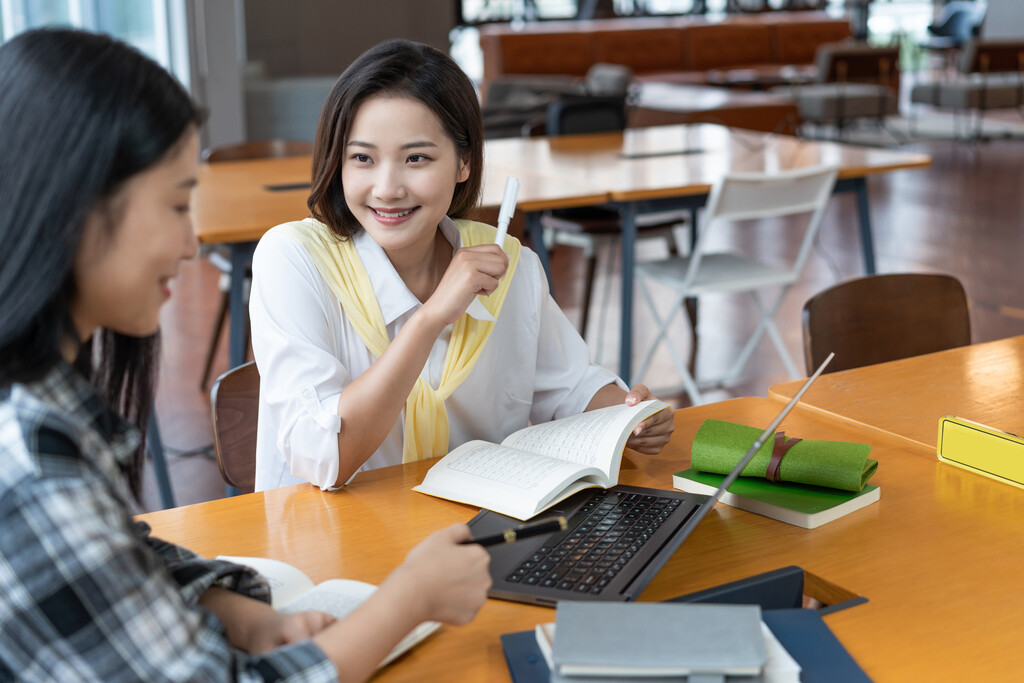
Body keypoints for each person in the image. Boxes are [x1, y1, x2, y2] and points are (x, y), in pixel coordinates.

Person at [0, 28, 490, 682]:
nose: (190, 242)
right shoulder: (29, 462)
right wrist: (406, 603)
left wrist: (244, 612)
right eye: (177, 203)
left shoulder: (45, 398)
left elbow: (118, 552)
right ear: (76, 208)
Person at [250, 39, 675, 492]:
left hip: (475, 538)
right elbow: (327, 461)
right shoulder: (293, 259)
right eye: (362, 158)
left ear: (464, 163)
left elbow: (569, 389)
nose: (387, 188)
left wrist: (630, 415)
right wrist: (431, 317)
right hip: (330, 547)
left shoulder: (509, 265)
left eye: (417, 158)